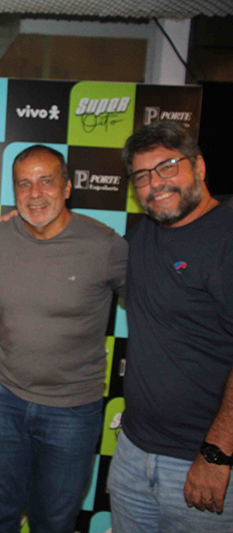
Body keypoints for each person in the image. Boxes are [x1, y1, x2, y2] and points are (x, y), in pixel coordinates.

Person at [0, 145, 127, 533]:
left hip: (72, 410)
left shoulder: (105, 244)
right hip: (4, 400)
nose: (35, 194)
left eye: (46, 181)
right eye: (24, 184)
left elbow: (154, 310)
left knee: (54, 523)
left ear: (68, 187)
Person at [109, 121, 233, 531]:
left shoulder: (226, 238)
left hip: (203, 461)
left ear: (199, 166)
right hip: (133, 451)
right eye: (142, 175)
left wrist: (217, 454)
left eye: (167, 167)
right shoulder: (140, 237)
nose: (155, 184)